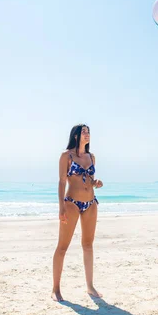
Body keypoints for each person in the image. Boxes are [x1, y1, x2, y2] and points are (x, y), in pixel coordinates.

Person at [52, 124, 104, 302]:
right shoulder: (66, 156)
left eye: (89, 132)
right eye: (84, 132)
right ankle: (56, 289)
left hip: (90, 203)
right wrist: (61, 207)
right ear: (75, 135)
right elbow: (61, 181)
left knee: (88, 245)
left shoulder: (92, 157)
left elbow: (89, 179)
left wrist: (96, 182)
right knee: (62, 246)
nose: (87, 134)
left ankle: (90, 286)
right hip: (71, 203)